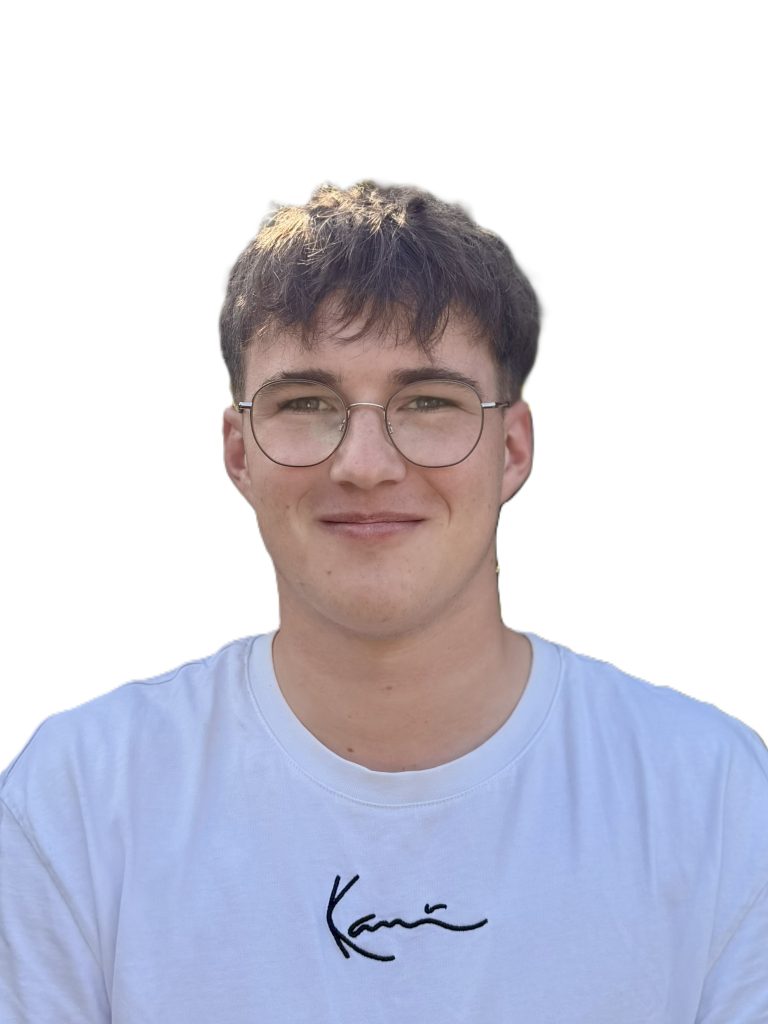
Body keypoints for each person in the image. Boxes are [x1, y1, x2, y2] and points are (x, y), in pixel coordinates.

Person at [1, 181, 766, 1023]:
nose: (365, 464)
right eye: (307, 404)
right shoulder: (80, 800)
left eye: (428, 402)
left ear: (512, 450)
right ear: (239, 451)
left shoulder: (714, 799)